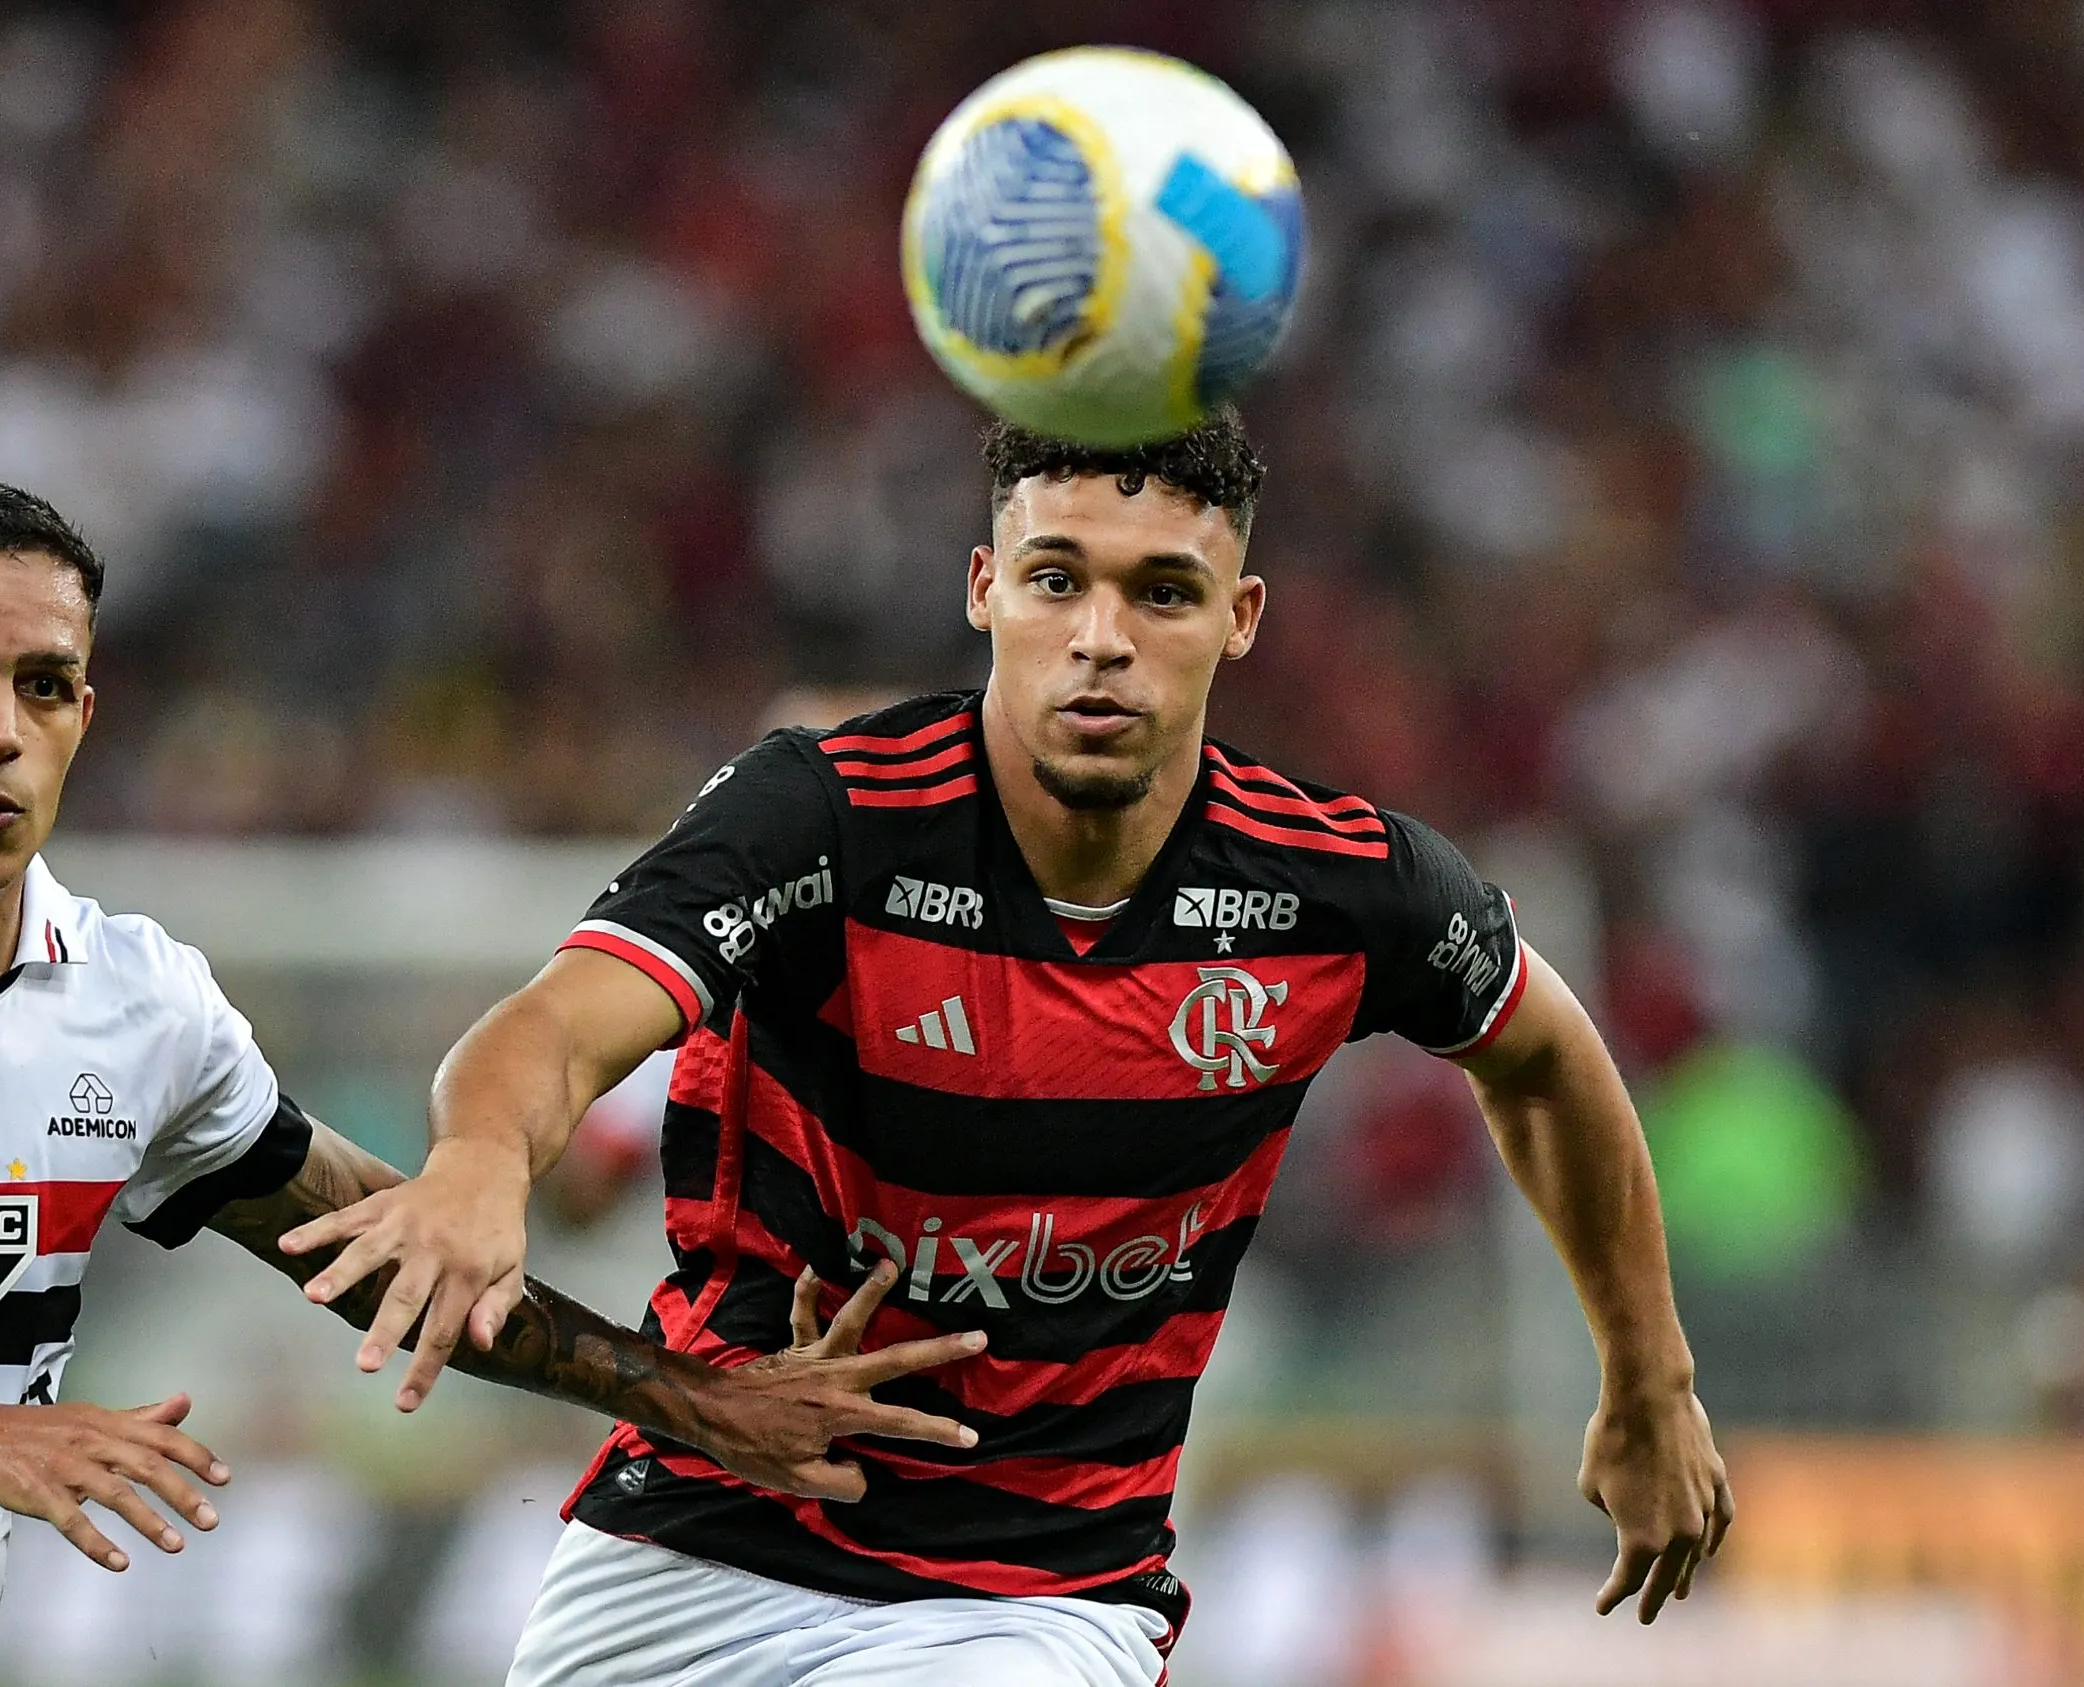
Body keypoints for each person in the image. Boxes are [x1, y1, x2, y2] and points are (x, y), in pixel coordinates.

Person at [0, 475, 982, 1687]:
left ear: (87, 713)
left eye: (41, 687)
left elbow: (385, 1247)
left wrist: (690, 1395)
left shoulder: (137, 1010)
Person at [283, 416, 1737, 1686]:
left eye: (1163, 591)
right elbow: (551, 1024)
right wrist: (480, 1158)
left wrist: (1649, 1373)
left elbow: (1547, 1055)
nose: (1102, 636)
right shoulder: (825, 817)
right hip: (708, 1520)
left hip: (1040, 1594)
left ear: (1241, 616)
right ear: (987, 589)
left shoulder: (1344, 887)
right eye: (1058, 580)